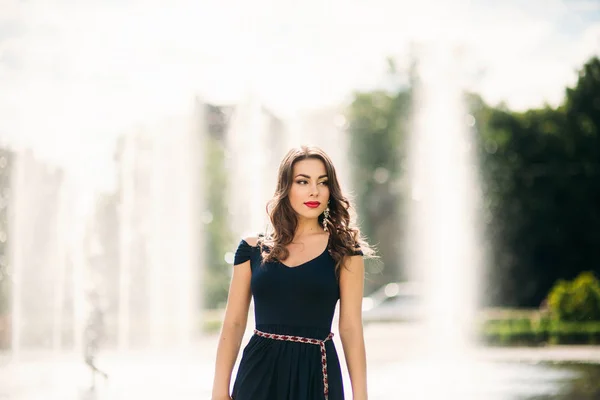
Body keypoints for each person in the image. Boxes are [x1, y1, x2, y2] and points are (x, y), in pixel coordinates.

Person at [211, 145, 373, 400]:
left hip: (316, 374)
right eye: (302, 181)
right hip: (258, 373)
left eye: (323, 182)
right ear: (286, 187)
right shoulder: (252, 249)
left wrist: (360, 396)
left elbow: (351, 328)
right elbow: (233, 323)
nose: (314, 191)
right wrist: (219, 391)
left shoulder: (344, 250)